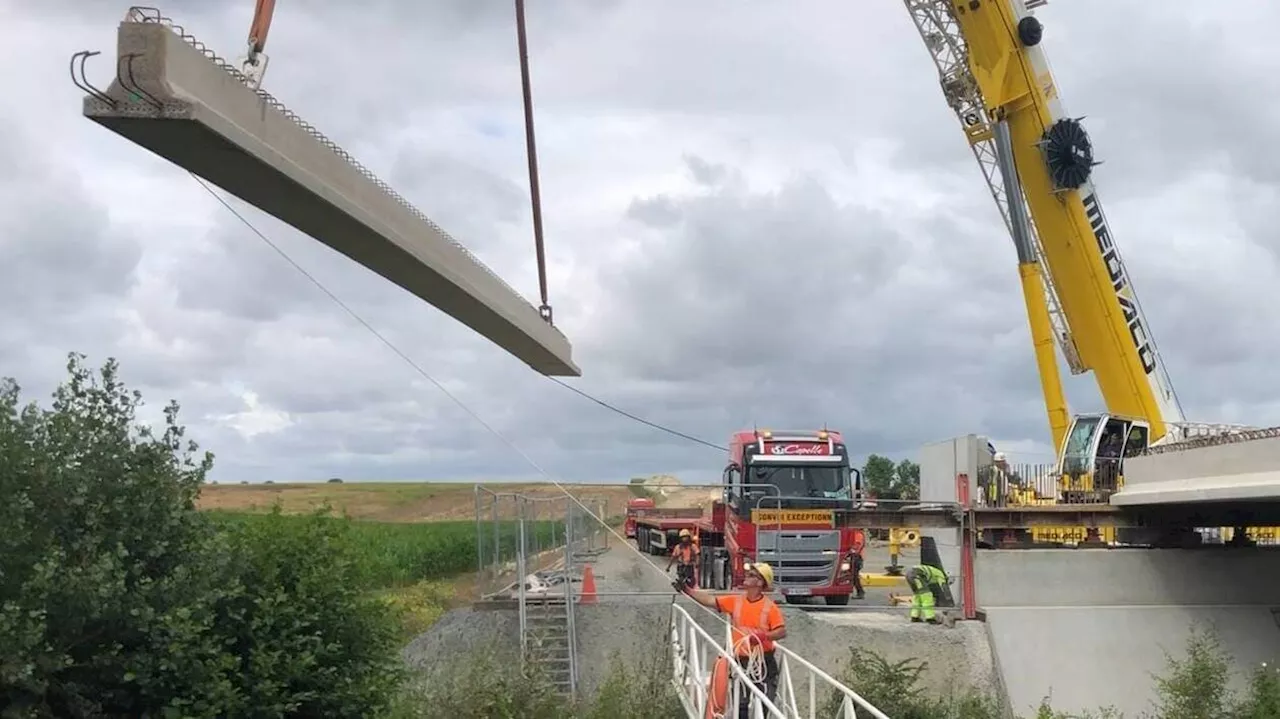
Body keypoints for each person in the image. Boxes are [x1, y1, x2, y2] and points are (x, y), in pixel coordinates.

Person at [677, 561, 785, 716]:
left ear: (761, 582)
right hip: (742, 661)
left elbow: (781, 631)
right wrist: (687, 590)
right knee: (741, 704)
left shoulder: (770, 607)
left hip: (763, 663)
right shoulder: (737, 601)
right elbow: (710, 601)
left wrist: (764, 637)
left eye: (752, 575)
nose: (746, 576)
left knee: (764, 703)